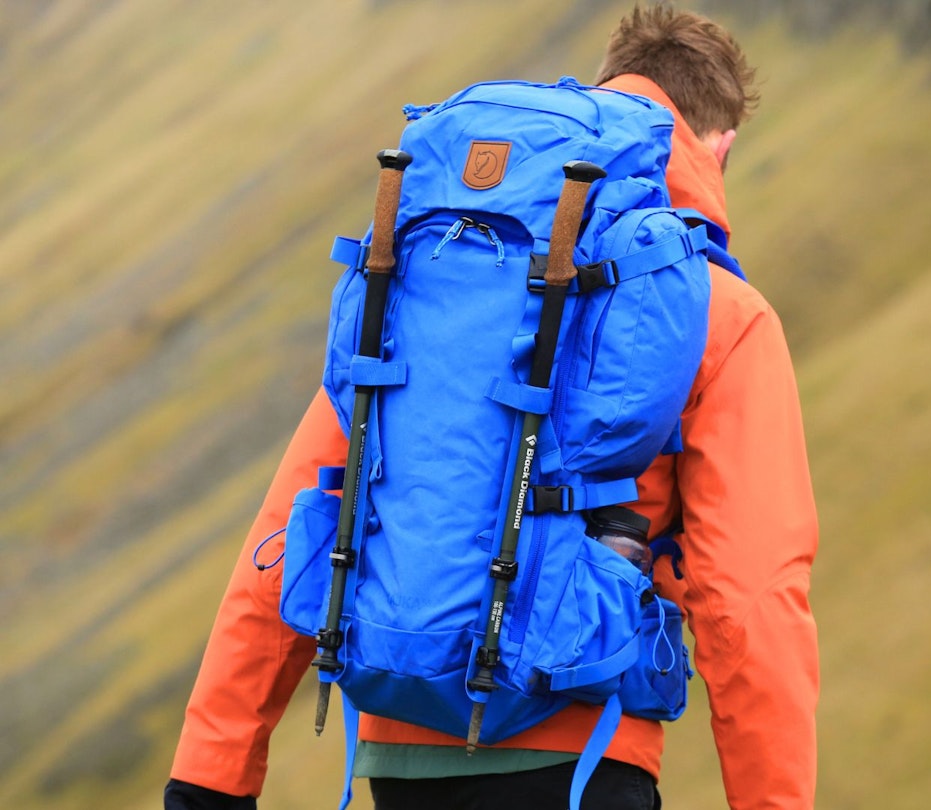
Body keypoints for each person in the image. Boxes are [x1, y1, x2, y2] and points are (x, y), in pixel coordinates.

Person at [165, 6, 819, 809]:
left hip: (400, 757)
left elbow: (299, 514)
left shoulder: (420, 286)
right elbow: (749, 598)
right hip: (581, 757)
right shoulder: (720, 311)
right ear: (719, 146)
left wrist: (210, 775)